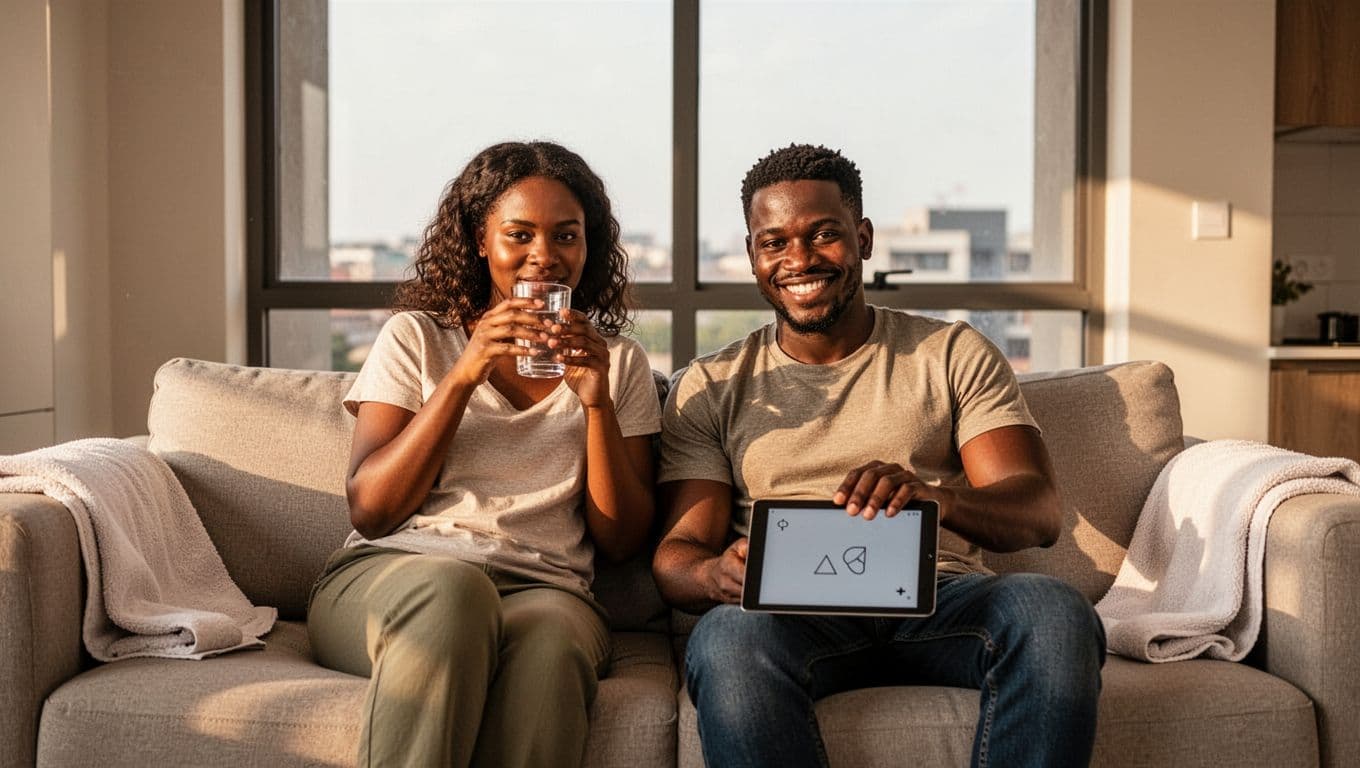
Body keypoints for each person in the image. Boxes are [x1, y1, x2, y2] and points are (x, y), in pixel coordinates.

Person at [653, 144, 1106, 768]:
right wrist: (712, 575)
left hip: (940, 604)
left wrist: (937, 499)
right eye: (774, 243)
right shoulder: (712, 385)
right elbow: (676, 557)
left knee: (1053, 611)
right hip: (789, 618)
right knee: (727, 637)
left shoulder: (951, 353)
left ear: (862, 239)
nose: (800, 260)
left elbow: (1036, 513)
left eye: (824, 235)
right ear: (754, 255)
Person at [307, 141, 660, 768]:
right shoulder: (415, 337)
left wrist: (597, 405)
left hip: (547, 589)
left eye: (566, 236)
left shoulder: (618, 362)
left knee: (553, 643)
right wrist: (465, 373)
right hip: (398, 575)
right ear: (479, 240)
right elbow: (372, 510)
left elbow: (623, 541)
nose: (544, 257)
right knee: (455, 591)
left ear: (589, 246)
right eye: (518, 235)